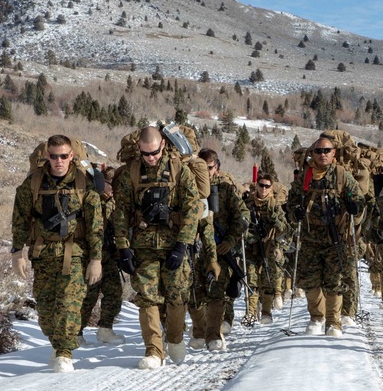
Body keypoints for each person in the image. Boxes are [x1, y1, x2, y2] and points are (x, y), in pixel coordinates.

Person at [11, 135, 103, 373]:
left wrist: (96, 259)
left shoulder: (84, 184)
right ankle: (58, 341)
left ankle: (64, 352)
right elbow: (20, 218)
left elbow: (95, 225)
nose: (59, 161)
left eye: (64, 156)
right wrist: (17, 252)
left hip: (75, 253)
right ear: (47, 156)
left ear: (71, 156)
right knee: (45, 310)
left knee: (68, 304)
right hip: (43, 252)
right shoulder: (34, 183)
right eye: (54, 156)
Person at [112, 126, 200, 369]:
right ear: (139, 149)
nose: (151, 158)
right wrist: (123, 247)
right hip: (144, 245)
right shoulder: (132, 173)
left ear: (163, 145)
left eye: (154, 153)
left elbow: (193, 209)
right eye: (145, 153)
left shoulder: (179, 170)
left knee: (176, 296)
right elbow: (121, 212)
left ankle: (175, 338)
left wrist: (183, 244)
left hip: (174, 242)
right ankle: (153, 350)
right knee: (147, 298)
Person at [286, 135, 365, 337]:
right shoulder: (305, 176)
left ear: (333, 153)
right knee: (309, 281)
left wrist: (354, 205)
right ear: (312, 154)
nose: (323, 155)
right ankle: (317, 317)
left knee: (335, 281)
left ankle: (333, 322)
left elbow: (357, 198)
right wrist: (295, 211)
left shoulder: (341, 175)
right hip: (311, 235)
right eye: (318, 151)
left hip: (335, 236)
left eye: (327, 151)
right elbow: (292, 200)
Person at [198, 150, 248, 346]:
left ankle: (214, 335)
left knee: (217, 292)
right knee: (195, 293)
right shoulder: (188, 187)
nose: (205, 172)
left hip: (219, 250)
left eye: (208, 168)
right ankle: (198, 332)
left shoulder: (226, 190)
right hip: (195, 249)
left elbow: (241, 219)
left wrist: (230, 241)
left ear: (216, 168)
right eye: (201, 168)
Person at [79, 166, 125, 345]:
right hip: (91, 256)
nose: (112, 187)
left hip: (109, 255)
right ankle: (77, 333)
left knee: (114, 292)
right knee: (88, 296)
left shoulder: (113, 203)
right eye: (109, 184)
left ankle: (106, 329)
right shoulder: (92, 201)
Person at [242, 173, 288, 324]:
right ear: (256, 186)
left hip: (269, 248)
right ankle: (251, 312)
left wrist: (274, 219)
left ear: (271, 188)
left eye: (267, 186)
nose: (263, 189)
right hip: (251, 247)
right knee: (251, 280)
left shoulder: (274, 206)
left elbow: (284, 229)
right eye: (261, 185)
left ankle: (266, 312)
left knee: (268, 280)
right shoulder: (248, 204)